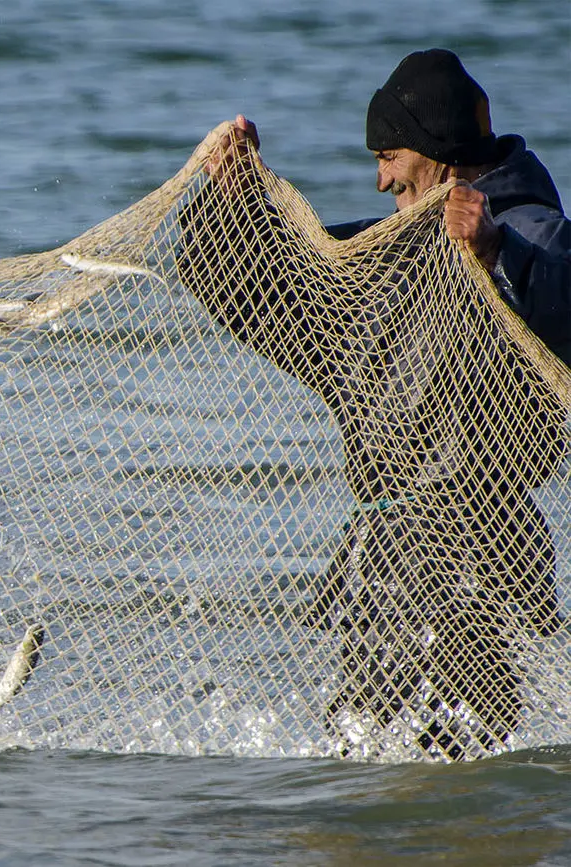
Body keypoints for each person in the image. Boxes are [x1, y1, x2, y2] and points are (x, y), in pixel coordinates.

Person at [180, 49, 569, 759]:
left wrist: (492, 252)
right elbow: (267, 292)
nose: (380, 175)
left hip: (479, 554)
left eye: (390, 154)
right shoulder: (393, 250)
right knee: (362, 762)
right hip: (381, 560)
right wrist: (229, 208)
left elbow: (563, 309)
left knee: (464, 761)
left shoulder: (534, 230)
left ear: (443, 156)